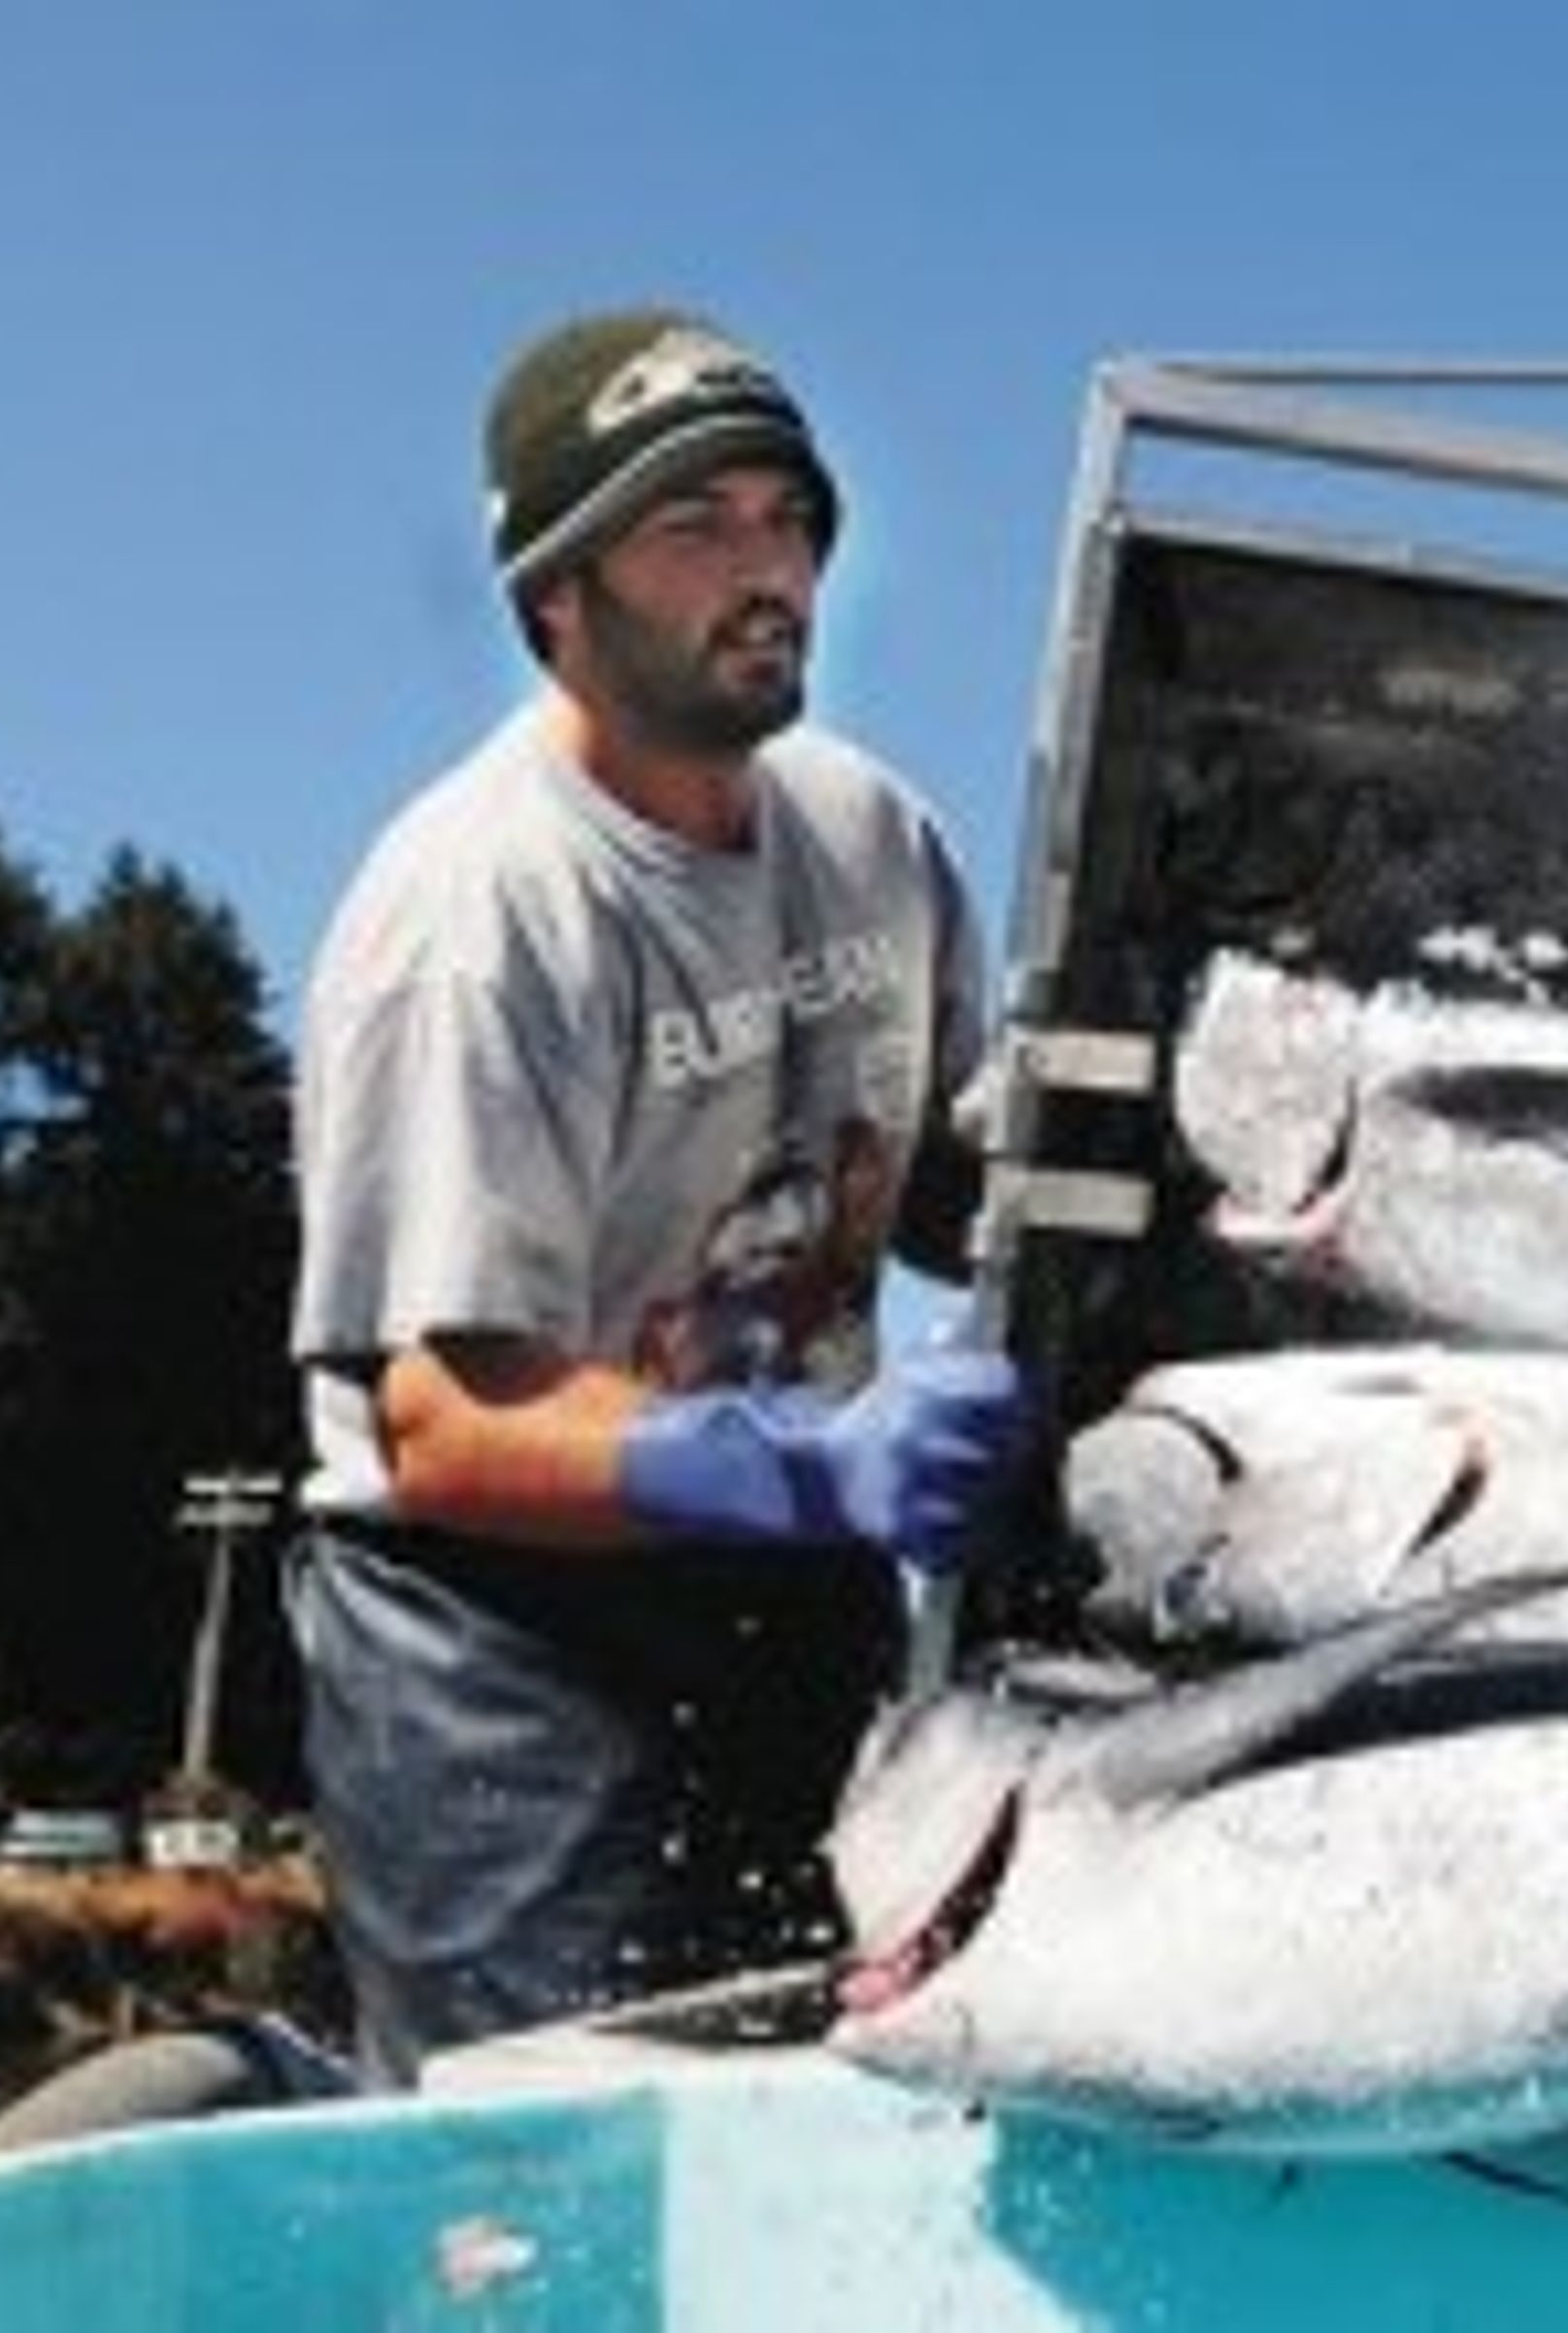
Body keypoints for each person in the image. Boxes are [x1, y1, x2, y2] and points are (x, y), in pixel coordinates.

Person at [284, 306, 1029, 2086]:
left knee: (837, 2124)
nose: (766, 570)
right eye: (696, 528)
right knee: (551, 2185)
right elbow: (448, 1421)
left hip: (793, 1591)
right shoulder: (480, 915)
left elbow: (950, 1182)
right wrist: (817, 1460)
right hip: (502, 1646)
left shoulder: (868, 835)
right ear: (558, 595)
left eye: (789, 518)